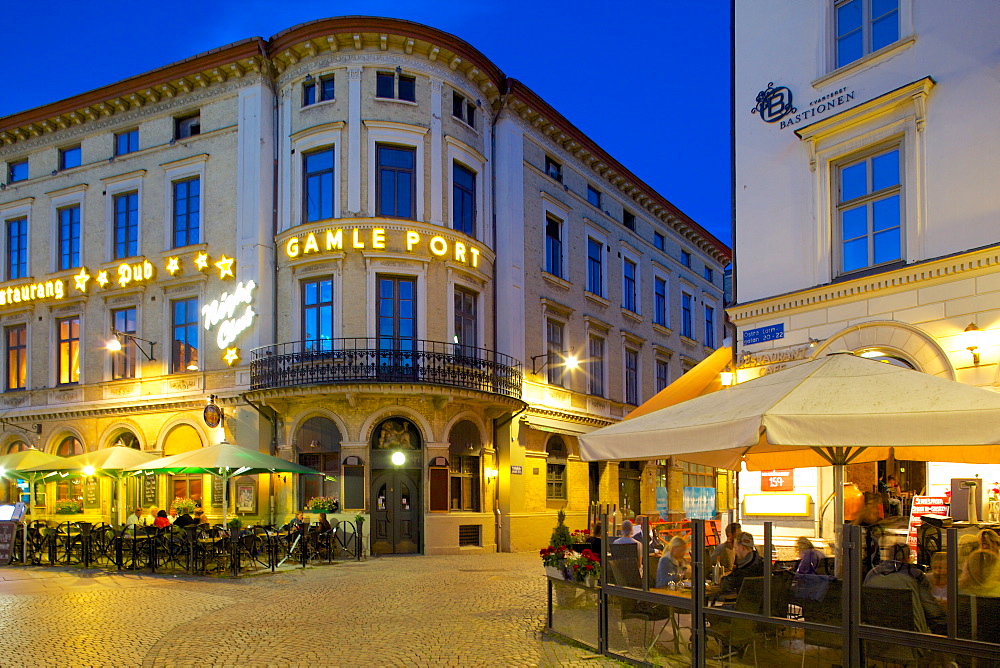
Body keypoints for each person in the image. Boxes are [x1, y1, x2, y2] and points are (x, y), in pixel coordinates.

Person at [864, 545, 946, 635]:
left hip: (876, 635)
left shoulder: (872, 574)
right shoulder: (914, 575)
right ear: (908, 558)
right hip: (911, 638)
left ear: (888, 557)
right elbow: (932, 611)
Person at [719, 532, 764, 598]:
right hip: (760, 605)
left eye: (735, 547)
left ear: (741, 547)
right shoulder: (762, 562)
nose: (735, 551)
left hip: (745, 605)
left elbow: (727, 584)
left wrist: (722, 579)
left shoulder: (745, 567)